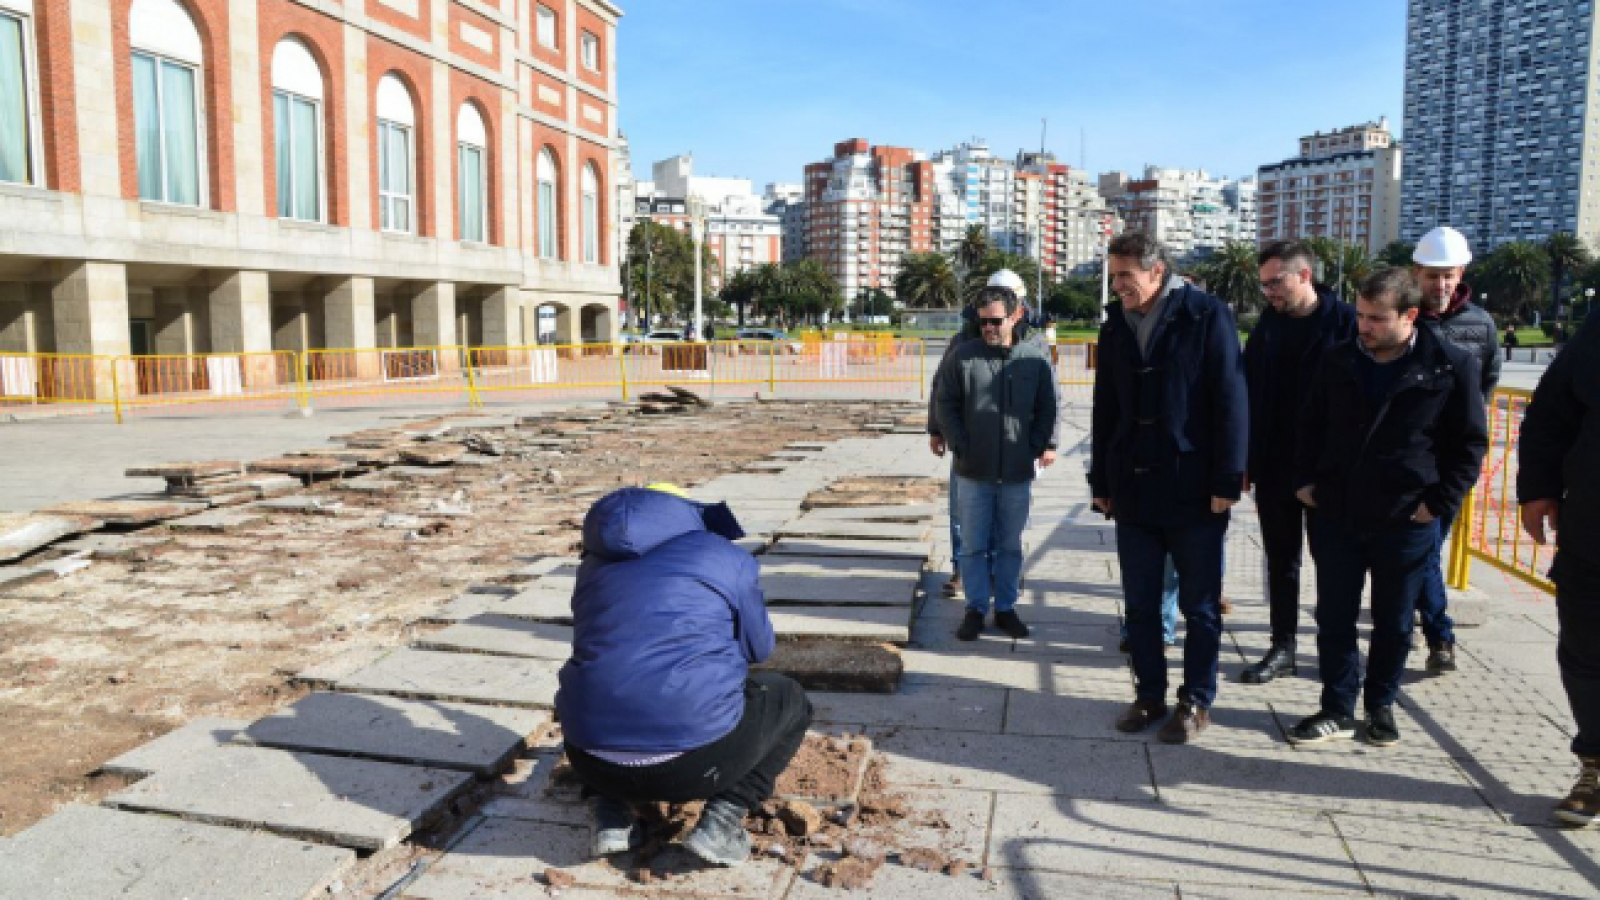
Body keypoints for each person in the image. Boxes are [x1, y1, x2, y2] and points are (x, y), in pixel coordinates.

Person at [556, 484, 812, 867]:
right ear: (687, 514)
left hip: (590, 759)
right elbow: (760, 650)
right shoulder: (724, 556)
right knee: (789, 699)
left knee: (602, 687)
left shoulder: (593, 563)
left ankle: (609, 814)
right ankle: (724, 818)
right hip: (696, 767)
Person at [1287, 269, 1487, 747]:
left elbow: (1470, 444)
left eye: (1377, 318)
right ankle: (1336, 707)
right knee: (1334, 616)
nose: (1364, 326)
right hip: (1337, 512)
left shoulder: (1450, 365)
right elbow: (1307, 425)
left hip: (1406, 516)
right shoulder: (1336, 359)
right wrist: (1304, 482)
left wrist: (1436, 503)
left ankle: (1380, 706)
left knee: (1395, 620)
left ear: (1410, 316)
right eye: (1360, 315)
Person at [1092, 233, 1247, 744]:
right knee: (1139, 604)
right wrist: (1100, 479)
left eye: (1126, 276)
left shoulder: (1205, 314)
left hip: (1194, 488)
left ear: (1156, 272)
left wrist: (1228, 477)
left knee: (1199, 607)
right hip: (1133, 487)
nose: (1118, 287)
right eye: (1113, 276)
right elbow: (1106, 407)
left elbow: (1230, 397)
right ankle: (1149, 695)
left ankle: (1196, 701)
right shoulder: (1115, 324)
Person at [1239, 241, 1357, 685]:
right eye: (1263, 284)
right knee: (1281, 561)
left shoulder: (1345, 322)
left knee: (1333, 564)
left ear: (1304, 276)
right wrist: (1246, 461)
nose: (1268, 292)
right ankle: (1282, 646)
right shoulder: (1269, 324)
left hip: (1327, 470)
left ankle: (1335, 653)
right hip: (1274, 466)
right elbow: (1249, 391)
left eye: (1275, 282)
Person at [934, 283, 1059, 641]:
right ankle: (975, 608)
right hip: (974, 470)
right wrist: (961, 444)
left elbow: (1046, 408)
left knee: (1008, 544)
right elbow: (946, 404)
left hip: (1017, 472)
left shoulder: (1033, 360)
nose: (987, 328)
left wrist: (1032, 447)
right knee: (973, 544)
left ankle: (1005, 608)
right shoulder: (964, 356)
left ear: (1016, 315)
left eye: (995, 321)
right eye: (982, 321)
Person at [1517, 313, 1600, 826]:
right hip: (1593, 527)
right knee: (1585, 652)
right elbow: (1551, 411)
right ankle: (1594, 764)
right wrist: (1538, 489)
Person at [1411, 226, 1498, 673]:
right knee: (1420, 550)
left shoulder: (1480, 325)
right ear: (1417, 273)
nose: (1440, 285)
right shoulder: (1403, 318)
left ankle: (1437, 634)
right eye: (1432, 276)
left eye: (1448, 275)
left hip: (1453, 464)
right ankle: (1436, 633)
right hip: (1408, 459)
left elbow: (1487, 385)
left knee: (1425, 550)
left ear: (1461, 273)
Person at [928, 269, 1033, 599]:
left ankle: (1000, 581)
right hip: (970, 446)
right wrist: (939, 431)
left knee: (1007, 519)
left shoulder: (1032, 343)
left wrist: (1047, 440)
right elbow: (942, 390)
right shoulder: (962, 343)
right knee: (963, 511)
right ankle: (963, 569)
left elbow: (1050, 396)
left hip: (1015, 447)